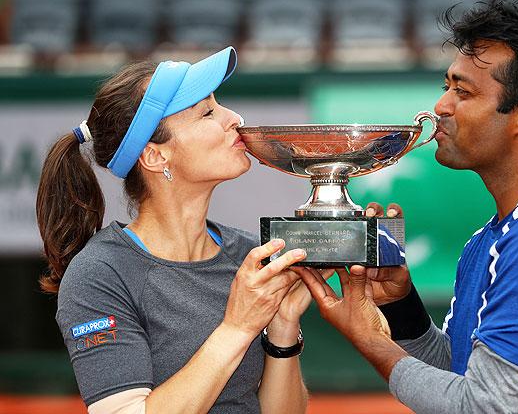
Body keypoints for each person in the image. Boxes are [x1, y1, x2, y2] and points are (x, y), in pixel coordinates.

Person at [296, 0, 518, 413]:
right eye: (446, 86)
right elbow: (464, 375)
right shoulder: (504, 231)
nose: (441, 106)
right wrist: (400, 306)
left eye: (462, 91)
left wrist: (371, 341)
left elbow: (487, 406)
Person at [36, 47, 320, 414]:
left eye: (220, 105)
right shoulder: (100, 274)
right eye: (207, 113)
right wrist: (238, 327)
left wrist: (282, 328)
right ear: (156, 156)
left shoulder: (251, 255)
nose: (235, 118)